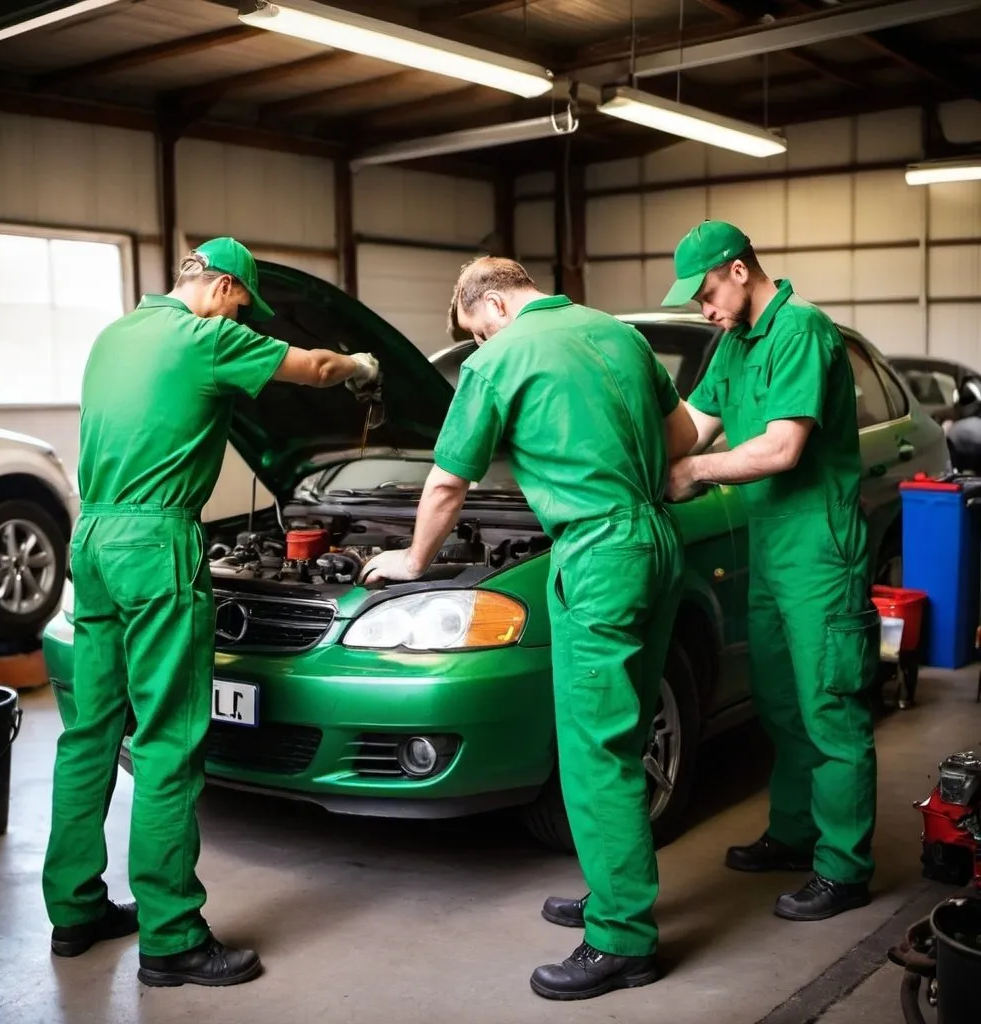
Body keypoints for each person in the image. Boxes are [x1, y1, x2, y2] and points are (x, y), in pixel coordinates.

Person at [43, 237, 381, 987]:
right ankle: (171, 938)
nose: (242, 317)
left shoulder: (116, 334)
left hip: (93, 539)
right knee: (168, 739)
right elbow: (315, 367)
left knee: (90, 732)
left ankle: (74, 911)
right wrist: (361, 366)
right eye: (242, 303)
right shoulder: (205, 337)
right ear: (222, 286)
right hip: (155, 544)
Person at [359, 256, 696, 1001]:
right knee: (629, 728)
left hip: (597, 553)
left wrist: (414, 560)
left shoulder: (502, 357)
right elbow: (679, 437)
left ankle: (622, 941)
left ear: (495, 308)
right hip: (657, 540)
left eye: (478, 332)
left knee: (593, 747)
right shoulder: (619, 334)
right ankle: (618, 891)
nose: (480, 346)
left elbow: (449, 481)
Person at [663, 220, 879, 922]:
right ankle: (793, 834)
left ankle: (845, 869)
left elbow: (783, 447)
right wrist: (624, 409)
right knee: (781, 703)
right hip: (770, 549)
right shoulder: (733, 345)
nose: (703, 310)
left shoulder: (802, 332)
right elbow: (692, 426)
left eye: (703, 294)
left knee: (829, 707)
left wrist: (693, 470)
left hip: (820, 550)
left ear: (735, 269)